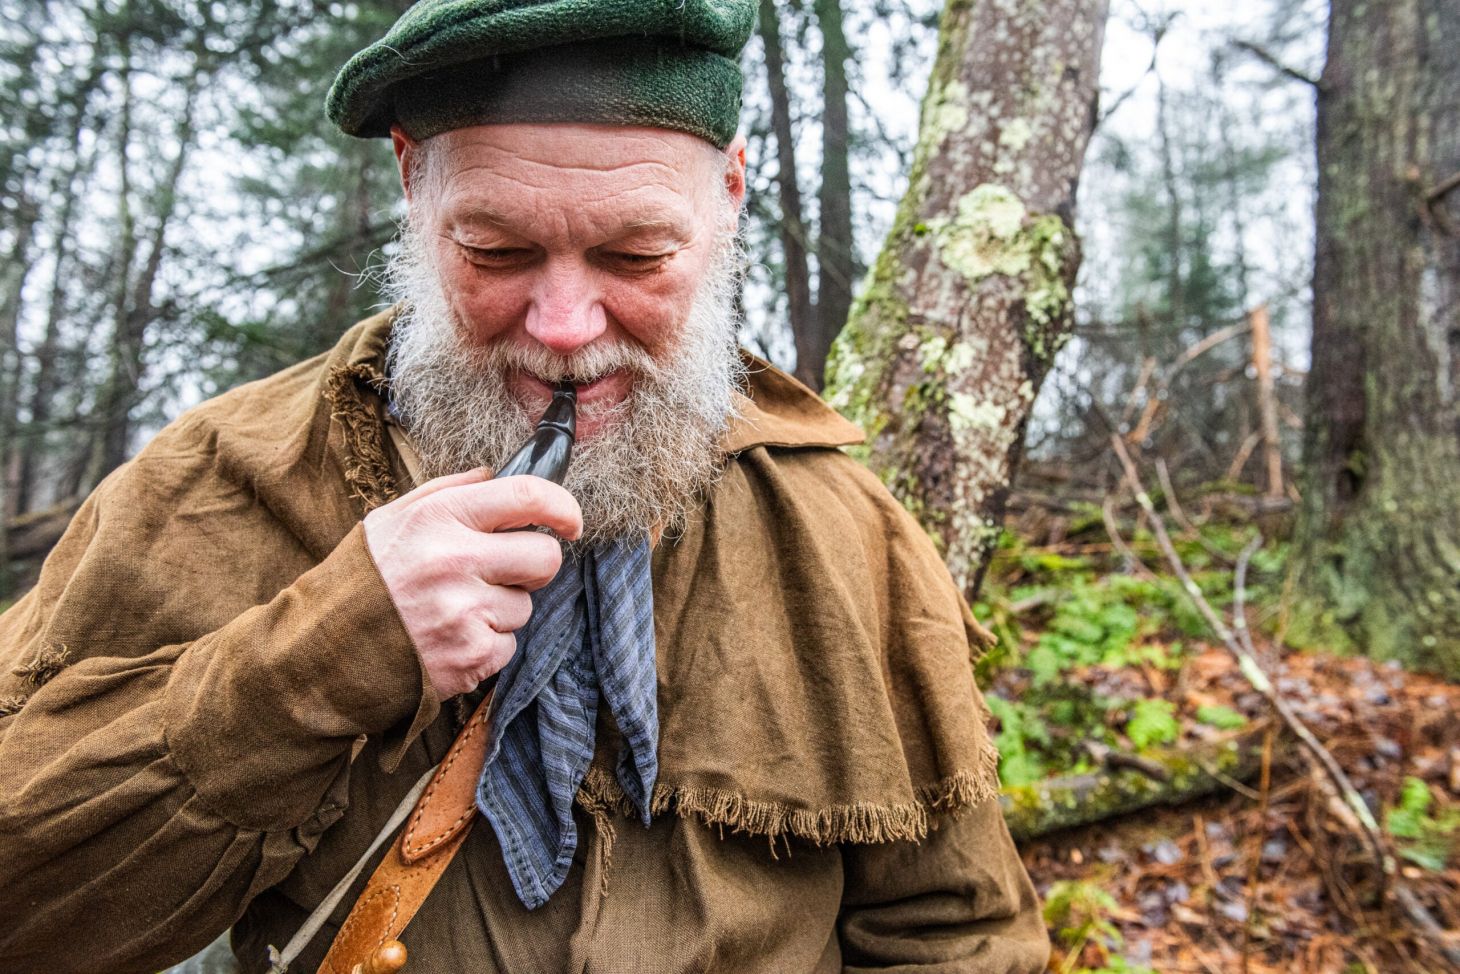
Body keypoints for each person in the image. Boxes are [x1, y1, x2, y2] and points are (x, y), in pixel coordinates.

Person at [0, 1, 1050, 971]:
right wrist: (320, 653)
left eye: (635, 254)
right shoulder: (218, 484)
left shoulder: (841, 531)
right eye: (496, 250)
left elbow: (958, 933)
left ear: (727, 191)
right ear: (413, 183)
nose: (562, 327)